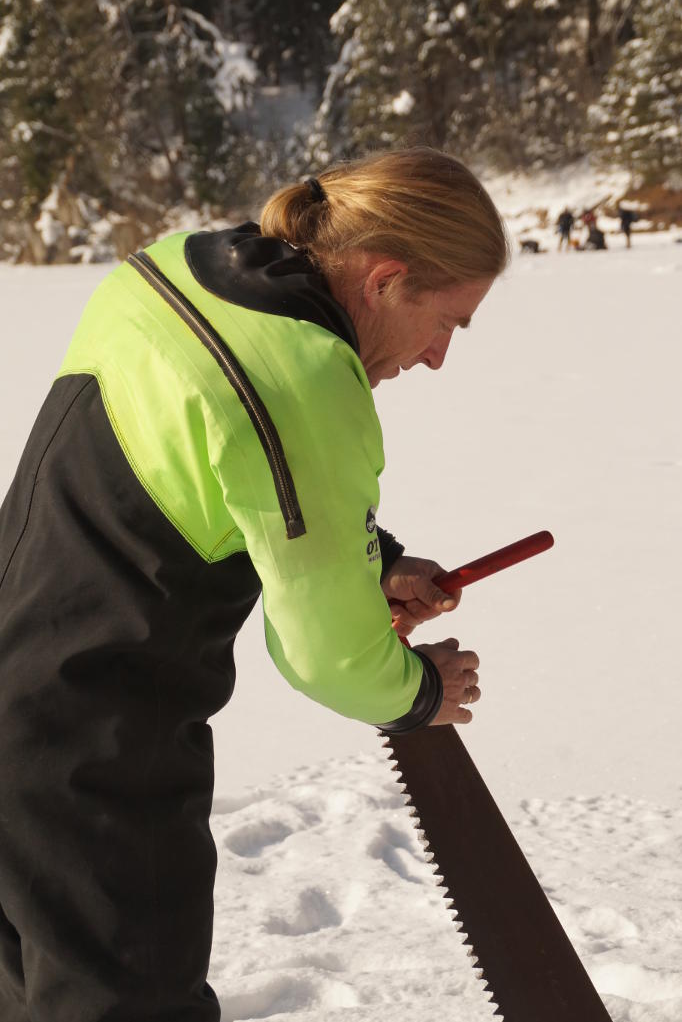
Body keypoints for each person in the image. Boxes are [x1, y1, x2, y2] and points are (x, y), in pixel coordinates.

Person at [0, 147, 509, 1022]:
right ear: (386, 278)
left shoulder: (178, 269)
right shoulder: (305, 373)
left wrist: (373, 560)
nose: (436, 358)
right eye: (447, 323)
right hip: (95, 754)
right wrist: (422, 691)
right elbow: (326, 655)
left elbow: (225, 466)